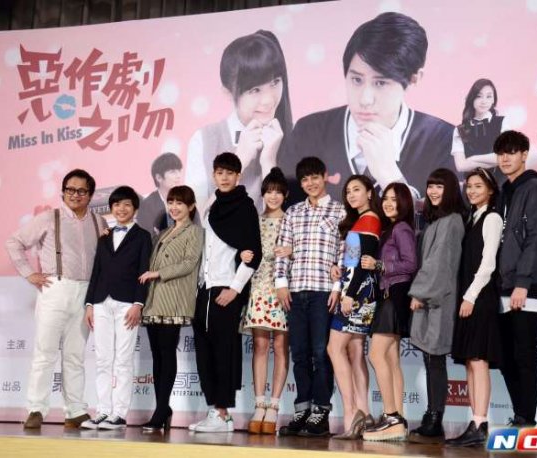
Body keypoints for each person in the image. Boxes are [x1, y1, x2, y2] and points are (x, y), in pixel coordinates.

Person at [279, 12, 455, 203]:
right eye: (357, 80)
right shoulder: (309, 131)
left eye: (380, 83)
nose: (365, 99)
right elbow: (285, 207)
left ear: (414, 79)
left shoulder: (444, 140)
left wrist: (389, 174)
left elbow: (449, 217)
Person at [6, 169, 107, 430]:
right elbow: (14, 242)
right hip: (55, 287)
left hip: (86, 292)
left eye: (81, 191)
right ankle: (36, 409)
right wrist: (29, 273)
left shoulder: (99, 222)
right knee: (45, 353)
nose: (75, 195)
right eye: (70, 190)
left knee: (75, 355)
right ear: (63, 192)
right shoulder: (50, 218)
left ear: (90, 195)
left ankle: (75, 411)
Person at [189, 152, 262, 433]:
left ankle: (222, 413)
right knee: (205, 352)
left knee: (223, 351)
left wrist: (234, 288)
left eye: (230, 173)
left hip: (226, 287)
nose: (224, 177)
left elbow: (253, 253)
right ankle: (215, 411)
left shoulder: (245, 207)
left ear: (238, 176)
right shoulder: (212, 205)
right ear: (213, 175)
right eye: (220, 172)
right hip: (205, 288)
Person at [186, 30, 293, 211]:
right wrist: (239, 162)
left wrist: (269, 162)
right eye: (255, 90)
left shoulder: (296, 135)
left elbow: (288, 220)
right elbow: (198, 218)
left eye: (275, 82)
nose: (268, 100)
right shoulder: (204, 140)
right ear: (228, 93)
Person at [275, 157, 344, 437]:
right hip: (295, 291)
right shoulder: (293, 212)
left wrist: (338, 287)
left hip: (323, 293)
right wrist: (281, 283)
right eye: (305, 179)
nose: (310, 183)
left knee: (320, 352)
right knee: (300, 354)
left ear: (325, 176)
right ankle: (302, 409)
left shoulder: (339, 211)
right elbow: (282, 250)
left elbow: (343, 252)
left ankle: (321, 411)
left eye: (315, 177)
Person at [495, 130, 537, 428]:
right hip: (503, 284)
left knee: (524, 353)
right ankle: (520, 413)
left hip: (525, 286)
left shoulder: (534, 188)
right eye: (501, 153)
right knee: (505, 356)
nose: (505, 158)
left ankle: (526, 417)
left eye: (511, 152)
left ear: (524, 154)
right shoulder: (505, 190)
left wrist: (523, 282)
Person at [81, 186, 152, 430]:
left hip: (127, 305)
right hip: (101, 302)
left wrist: (138, 304)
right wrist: (89, 304)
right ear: (111, 208)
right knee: (103, 359)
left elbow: (144, 271)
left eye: (127, 205)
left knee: (123, 360)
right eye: (117, 205)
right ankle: (102, 411)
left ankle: (119, 414)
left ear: (135, 209)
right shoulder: (105, 237)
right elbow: (96, 271)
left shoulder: (143, 236)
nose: (121, 209)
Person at [139, 185, 203, 432]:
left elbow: (189, 263)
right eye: (171, 202)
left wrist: (158, 273)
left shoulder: (194, 232)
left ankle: (162, 409)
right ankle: (162, 408)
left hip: (174, 300)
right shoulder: (163, 233)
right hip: (154, 300)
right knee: (158, 356)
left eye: (180, 203)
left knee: (167, 355)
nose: (174, 207)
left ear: (191, 206)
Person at [407, 169, 465, 443]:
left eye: (439, 186)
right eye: (430, 186)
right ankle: (432, 416)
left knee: (435, 358)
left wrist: (419, 293)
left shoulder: (452, 221)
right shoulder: (437, 221)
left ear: (450, 189)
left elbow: (440, 263)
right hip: (433, 297)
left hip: (439, 298)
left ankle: (435, 418)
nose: (432, 191)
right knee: (431, 359)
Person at [447, 168, 503, 447]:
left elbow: (488, 263)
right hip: (468, 297)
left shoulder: (492, 218)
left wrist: (470, 297)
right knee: (470, 361)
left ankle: (481, 423)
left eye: (478, 186)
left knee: (479, 361)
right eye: (469, 186)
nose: (471, 191)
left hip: (480, 298)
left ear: (490, 190)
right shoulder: (472, 218)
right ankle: (475, 422)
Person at [361, 183, 417, 442]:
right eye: (386, 198)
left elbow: (410, 264)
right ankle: (398, 420)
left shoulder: (401, 228)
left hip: (394, 296)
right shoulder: (391, 229)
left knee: (376, 354)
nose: (388, 203)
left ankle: (391, 415)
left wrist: (380, 264)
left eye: (394, 199)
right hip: (391, 295)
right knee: (392, 360)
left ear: (404, 203)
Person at [327, 175, 381, 440]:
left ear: (370, 193)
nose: (351, 195)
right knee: (355, 349)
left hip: (357, 294)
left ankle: (352, 413)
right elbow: (353, 260)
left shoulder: (369, 219)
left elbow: (364, 263)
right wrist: (339, 270)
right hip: (358, 291)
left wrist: (348, 294)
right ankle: (364, 412)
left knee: (334, 348)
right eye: (348, 191)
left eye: (357, 189)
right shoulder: (361, 220)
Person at [238, 167, 290, 435]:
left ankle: (274, 406)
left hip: (284, 288)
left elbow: (304, 252)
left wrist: (292, 251)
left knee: (281, 346)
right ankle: (259, 404)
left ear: (285, 195)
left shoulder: (291, 221)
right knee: (260, 345)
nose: (273, 196)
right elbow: (244, 252)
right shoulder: (254, 221)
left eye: (278, 192)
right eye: (269, 191)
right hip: (258, 286)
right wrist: (243, 254)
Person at [138, 153, 184, 237]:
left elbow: (197, 233)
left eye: (179, 171)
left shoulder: (187, 202)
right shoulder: (147, 206)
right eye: (173, 172)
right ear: (159, 177)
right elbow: (147, 237)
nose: (178, 176)